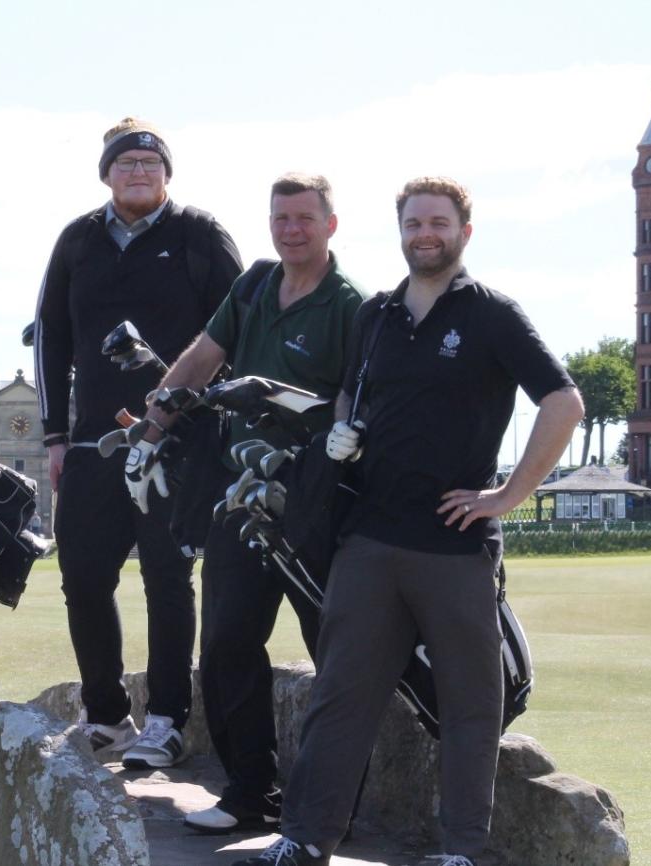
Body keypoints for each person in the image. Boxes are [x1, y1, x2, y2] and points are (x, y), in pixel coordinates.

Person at [236, 177, 583, 866]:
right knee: (340, 696)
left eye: (439, 222)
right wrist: (341, 432)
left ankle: (460, 851)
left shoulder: (493, 315)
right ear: (400, 230)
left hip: (455, 545)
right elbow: (347, 394)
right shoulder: (377, 315)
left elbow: (564, 402)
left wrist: (507, 495)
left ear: (464, 233)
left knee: (468, 706)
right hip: (368, 538)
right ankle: (305, 840)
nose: (426, 232)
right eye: (414, 221)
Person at [131, 173, 365, 832]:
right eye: (281, 218)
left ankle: (331, 810)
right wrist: (150, 434)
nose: (291, 229)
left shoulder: (353, 307)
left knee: (336, 653)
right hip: (242, 499)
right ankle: (250, 792)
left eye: (304, 218)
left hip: (316, 505)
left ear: (330, 224)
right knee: (229, 642)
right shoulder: (256, 286)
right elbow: (202, 358)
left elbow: (352, 400)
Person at [34, 117, 242, 767]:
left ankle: (167, 719)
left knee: (167, 579)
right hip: (97, 442)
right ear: (106, 173)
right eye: (126, 164)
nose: (139, 173)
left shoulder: (200, 235)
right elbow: (50, 338)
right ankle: (107, 717)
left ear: (168, 174)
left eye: (151, 165)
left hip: (179, 443)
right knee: (83, 578)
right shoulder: (77, 241)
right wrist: (55, 437)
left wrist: (216, 424)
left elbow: (238, 328)